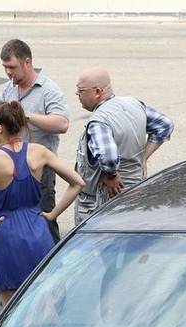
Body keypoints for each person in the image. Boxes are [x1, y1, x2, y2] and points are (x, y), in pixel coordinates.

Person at [0, 101, 83, 306]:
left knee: (10, 309)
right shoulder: (39, 152)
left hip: (7, 234)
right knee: (44, 303)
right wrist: (52, 215)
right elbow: (78, 182)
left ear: (0, 128)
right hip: (38, 231)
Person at [0, 39, 70, 242]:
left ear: (27, 62)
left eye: (12, 67)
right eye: (5, 67)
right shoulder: (9, 88)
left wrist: (26, 116)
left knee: (43, 225)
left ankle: (51, 268)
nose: (8, 72)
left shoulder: (49, 90)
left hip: (38, 170)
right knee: (17, 225)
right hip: (10, 169)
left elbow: (62, 124)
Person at [74, 66, 174, 225]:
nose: (77, 95)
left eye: (81, 90)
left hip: (100, 204)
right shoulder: (133, 104)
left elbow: (108, 157)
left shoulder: (99, 121)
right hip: (134, 194)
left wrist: (111, 174)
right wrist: (142, 158)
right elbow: (165, 125)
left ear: (98, 92)